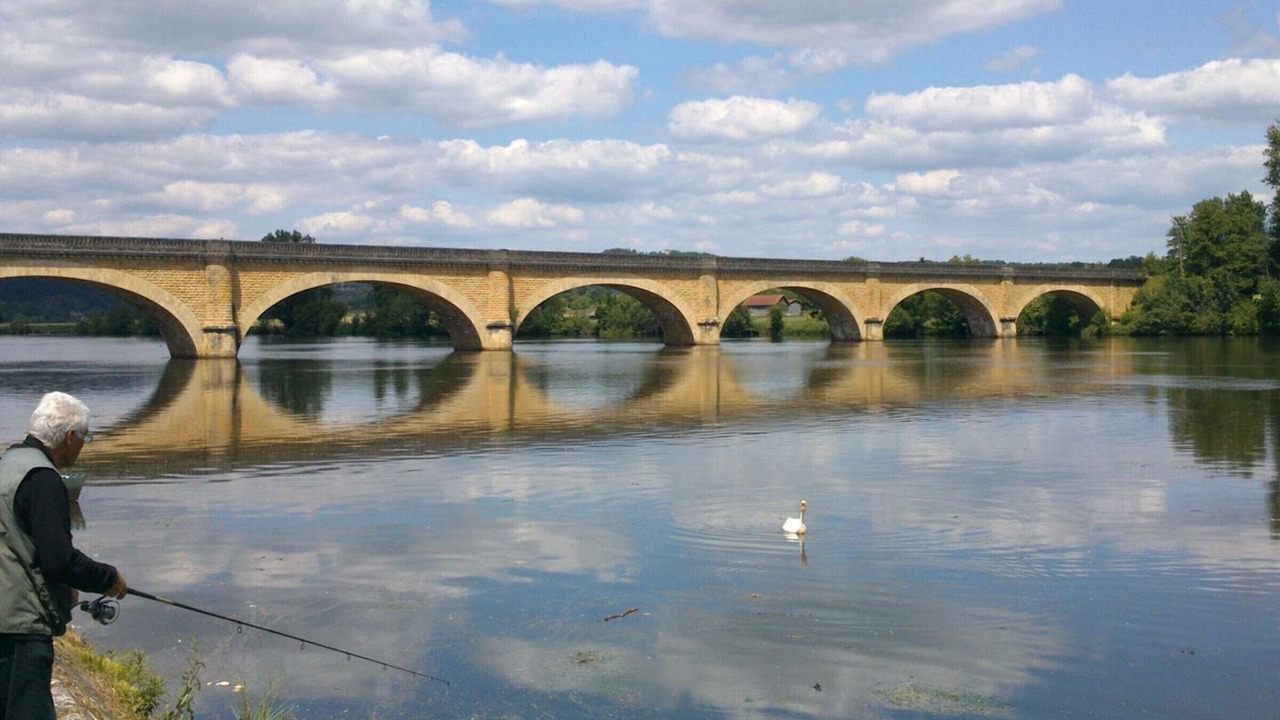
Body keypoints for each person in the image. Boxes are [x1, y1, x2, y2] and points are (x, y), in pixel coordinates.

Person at [0, 391, 126, 720]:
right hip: (21, 628)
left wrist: (62, 587)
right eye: (84, 437)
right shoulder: (44, 479)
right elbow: (59, 559)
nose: (84, 444)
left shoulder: (8, 463)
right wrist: (109, 578)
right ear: (70, 437)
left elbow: (18, 542)